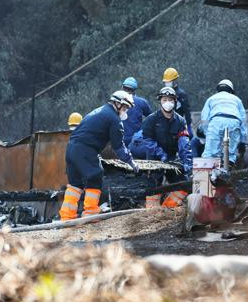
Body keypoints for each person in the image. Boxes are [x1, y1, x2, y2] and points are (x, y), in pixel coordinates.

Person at [59, 91, 139, 221]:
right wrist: (131, 162)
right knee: (95, 175)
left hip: (71, 149)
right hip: (85, 149)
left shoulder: (100, 111)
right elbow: (118, 146)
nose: (126, 111)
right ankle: (90, 213)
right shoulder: (114, 119)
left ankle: (67, 216)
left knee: (75, 184)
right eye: (125, 107)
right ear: (117, 104)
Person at [128, 87, 192, 188]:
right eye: (164, 100)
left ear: (175, 101)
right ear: (160, 101)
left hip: (171, 156)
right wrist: (161, 154)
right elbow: (148, 140)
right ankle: (152, 195)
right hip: (154, 156)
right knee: (154, 184)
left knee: (181, 183)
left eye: (170, 100)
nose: (167, 102)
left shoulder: (180, 121)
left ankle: (174, 198)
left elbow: (184, 143)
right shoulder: (151, 120)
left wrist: (187, 162)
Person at [201, 79, 247, 166]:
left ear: (218, 89)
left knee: (210, 153)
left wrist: (207, 133)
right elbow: (243, 120)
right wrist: (243, 141)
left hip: (216, 121)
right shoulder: (237, 100)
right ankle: (229, 166)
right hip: (234, 122)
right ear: (231, 90)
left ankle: (208, 171)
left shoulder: (211, 99)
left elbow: (204, 118)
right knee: (230, 154)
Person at [120, 77, 152, 146]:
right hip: (136, 140)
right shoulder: (142, 102)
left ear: (122, 87)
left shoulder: (116, 101)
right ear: (134, 90)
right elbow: (151, 118)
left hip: (119, 139)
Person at [162, 67, 192, 135]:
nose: (166, 83)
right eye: (166, 82)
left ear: (174, 81)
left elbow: (186, 111)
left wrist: (188, 126)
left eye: (169, 81)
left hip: (178, 126)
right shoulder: (164, 94)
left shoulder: (181, 94)